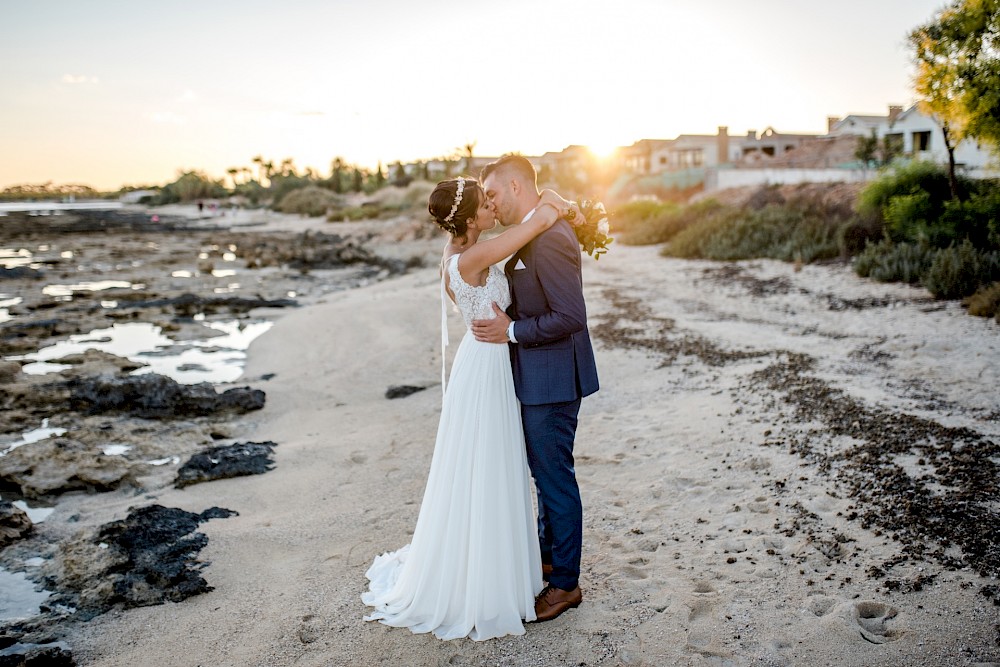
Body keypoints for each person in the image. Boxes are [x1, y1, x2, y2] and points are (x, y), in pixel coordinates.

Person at [361, 177, 576, 640]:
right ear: (469, 217)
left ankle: (499, 563)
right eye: (486, 205)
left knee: (485, 466)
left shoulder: (454, 258)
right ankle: (493, 575)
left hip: (483, 360)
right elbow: (539, 220)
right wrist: (557, 202)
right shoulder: (474, 256)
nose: (493, 210)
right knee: (490, 466)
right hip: (488, 364)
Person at [472, 155, 599, 623]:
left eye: (494, 194)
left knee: (555, 480)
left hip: (553, 381)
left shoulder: (549, 240)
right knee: (544, 478)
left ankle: (565, 585)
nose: (491, 203)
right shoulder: (535, 230)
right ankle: (550, 559)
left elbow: (571, 316)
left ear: (516, 187)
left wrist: (511, 331)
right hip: (538, 378)